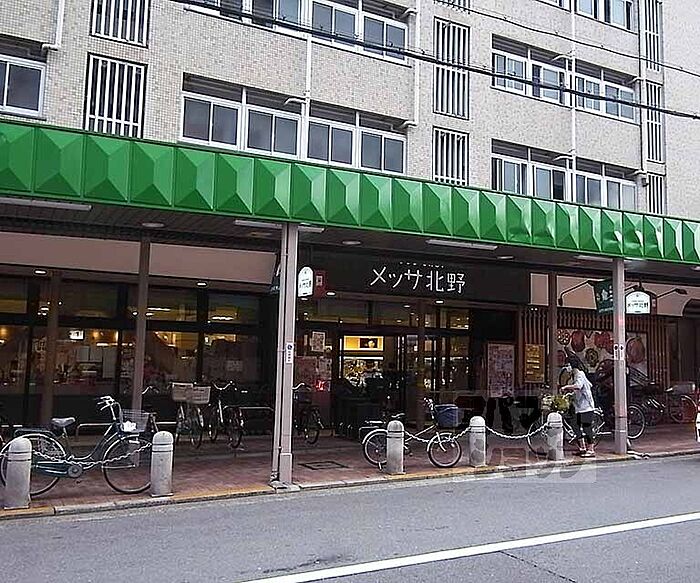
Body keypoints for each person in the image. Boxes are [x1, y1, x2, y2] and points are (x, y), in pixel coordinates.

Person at [560, 355, 596, 457]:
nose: (566, 368)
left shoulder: (580, 374)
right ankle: (582, 447)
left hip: (586, 407)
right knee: (575, 425)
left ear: (571, 366)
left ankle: (591, 449)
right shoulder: (574, 376)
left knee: (587, 428)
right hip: (579, 407)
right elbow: (586, 386)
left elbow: (579, 386)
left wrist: (566, 387)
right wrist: (571, 394)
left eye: (567, 365)